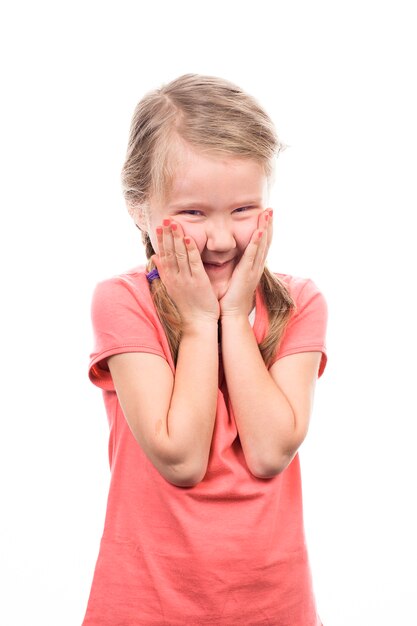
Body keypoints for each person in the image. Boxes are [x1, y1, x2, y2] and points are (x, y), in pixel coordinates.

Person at [82, 73, 328, 625]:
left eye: (243, 210)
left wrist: (234, 320)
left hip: (273, 604)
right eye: (193, 213)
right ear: (139, 208)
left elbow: (270, 452)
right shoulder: (123, 303)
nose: (221, 240)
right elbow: (182, 458)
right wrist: (199, 323)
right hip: (147, 603)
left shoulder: (299, 303)